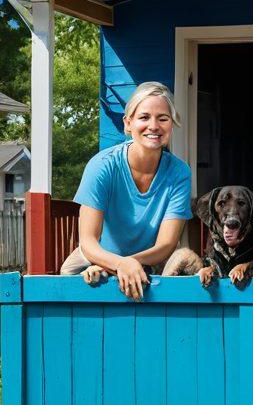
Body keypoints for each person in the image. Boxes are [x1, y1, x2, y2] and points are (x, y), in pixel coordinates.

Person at [60, 82, 192, 299]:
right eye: (144, 117)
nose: (153, 126)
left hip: (151, 261)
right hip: (97, 259)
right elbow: (89, 242)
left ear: (171, 124)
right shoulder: (102, 166)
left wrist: (130, 264)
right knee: (70, 283)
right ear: (127, 124)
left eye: (163, 118)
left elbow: (166, 245)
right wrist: (119, 264)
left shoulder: (179, 173)